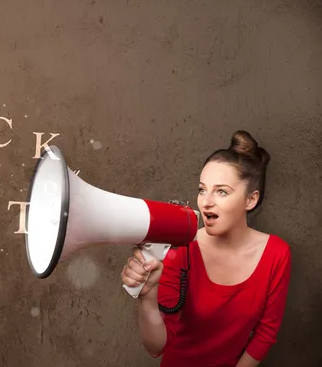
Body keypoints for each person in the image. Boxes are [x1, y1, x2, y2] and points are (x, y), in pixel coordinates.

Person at [121, 130, 292, 367]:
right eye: (202, 189)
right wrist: (147, 297)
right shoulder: (182, 248)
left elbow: (265, 334)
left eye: (221, 191)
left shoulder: (277, 254)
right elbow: (156, 347)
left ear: (250, 200)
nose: (206, 202)